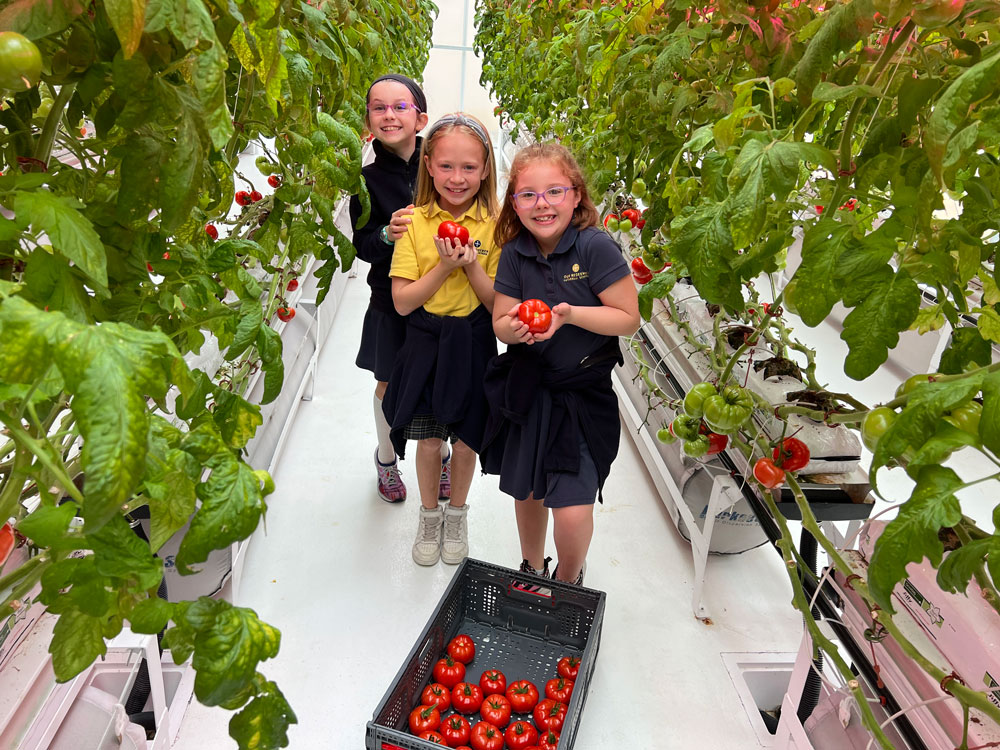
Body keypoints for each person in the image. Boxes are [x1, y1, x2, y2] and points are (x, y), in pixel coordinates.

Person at [481, 142, 640, 586]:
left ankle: (569, 580)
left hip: (581, 397)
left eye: (554, 191)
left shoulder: (594, 248)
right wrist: (517, 329)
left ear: (576, 195)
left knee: (571, 509)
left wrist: (568, 314)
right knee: (529, 490)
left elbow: (628, 318)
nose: (542, 204)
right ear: (514, 203)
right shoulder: (514, 252)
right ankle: (532, 565)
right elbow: (500, 323)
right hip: (530, 390)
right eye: (527, 194)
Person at [382, 113, 501, 565]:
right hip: (426, 343)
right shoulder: (414, 223)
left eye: (469, 168)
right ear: (428, 166)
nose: (457, 178)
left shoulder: (495, 225)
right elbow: (403, 302)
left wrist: (470, 265)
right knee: (430, 440)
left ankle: (457, 515)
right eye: (447, 166)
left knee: (468, 439)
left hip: (473, 342)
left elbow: (496, 307)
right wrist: (446, 266)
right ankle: (429, 516)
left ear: (486, 169)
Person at [349, 74, 451, 506]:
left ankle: (440, 454)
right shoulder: (367, 181)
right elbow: (363, 246)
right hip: (391, 301)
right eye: (379, 107)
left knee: (442, 379)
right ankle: (387, 460)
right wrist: (387, 236)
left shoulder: (442, 165)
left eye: (400, 106)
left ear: (420, 117)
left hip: (445, 295)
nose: (389, 114)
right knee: (388, 383)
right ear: (369, 120)